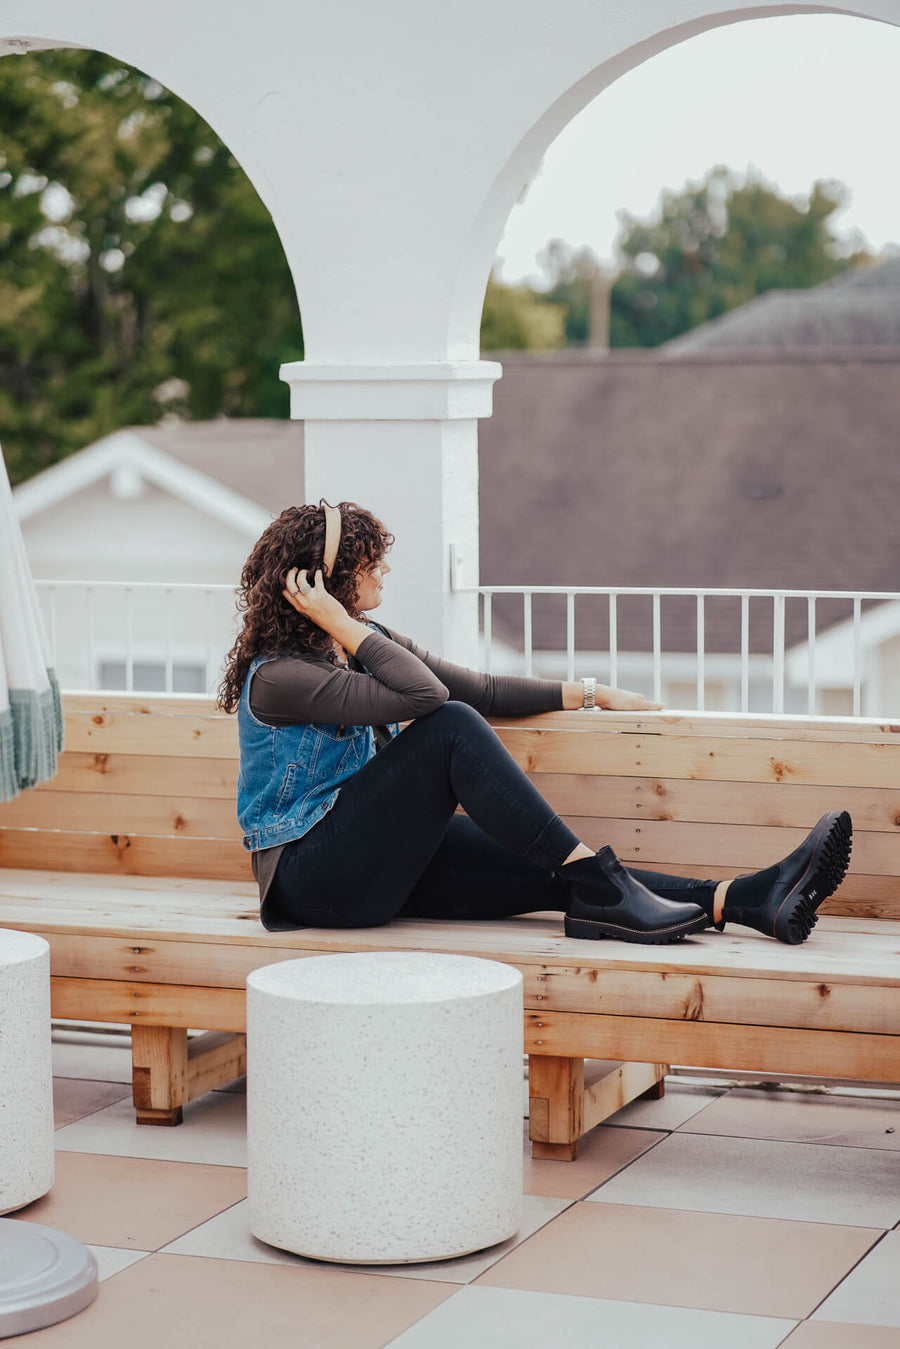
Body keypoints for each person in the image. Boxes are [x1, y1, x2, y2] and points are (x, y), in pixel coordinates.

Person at [219, 501, 852, 945]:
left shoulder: (362, 640)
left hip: (371, 865)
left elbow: (483, 686)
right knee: (450, 728)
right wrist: (342, 624)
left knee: (545, 867)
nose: (383, 570)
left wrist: (592, 693)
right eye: (369, 561)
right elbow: (429, 697)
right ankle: (603, 886)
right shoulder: (282, 677)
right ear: (326, 584)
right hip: (315, 881)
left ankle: (744, 899)